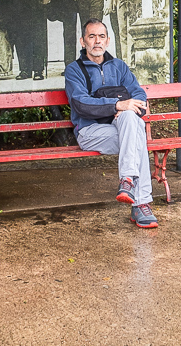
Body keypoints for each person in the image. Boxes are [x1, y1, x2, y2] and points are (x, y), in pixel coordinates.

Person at [64, 19, 158, 229]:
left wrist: (128, 109)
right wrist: (116, 105)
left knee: (130, 119)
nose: (97, 41)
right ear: (83, 41)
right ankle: (141, 204)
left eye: (101, 36)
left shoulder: (119, 66)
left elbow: (138, 94)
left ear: (107, 41)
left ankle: (127, 181)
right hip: (90, 132)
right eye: (92, 36)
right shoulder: (74, 70)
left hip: (120, 128)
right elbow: (80, 104)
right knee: (137, 137)